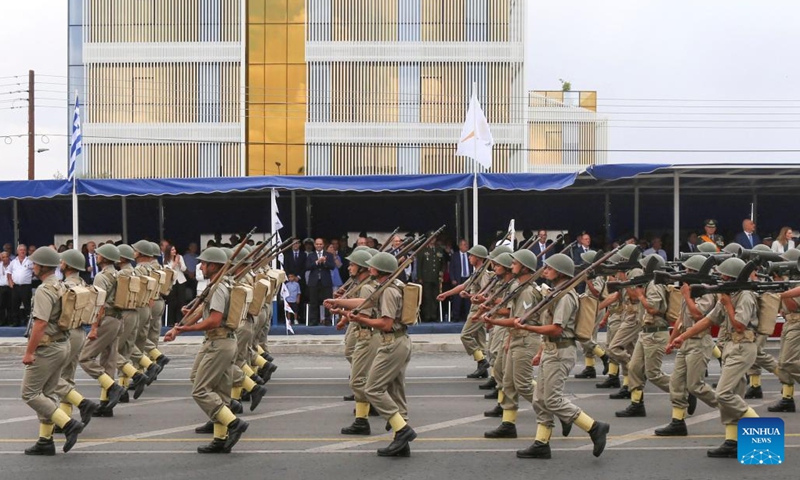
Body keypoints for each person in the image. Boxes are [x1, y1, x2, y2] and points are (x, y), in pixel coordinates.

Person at [514, 253, 610, 460]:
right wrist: (541, 350)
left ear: (559, 271)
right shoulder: (557, 293)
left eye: (549, 267)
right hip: (551, 350)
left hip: (560, 351)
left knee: (552, 399)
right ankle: (541, 443)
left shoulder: (566, 297)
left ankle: (594, 427)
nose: (545, 269)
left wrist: (528, 327)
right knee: (539, 399)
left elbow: (557, 329)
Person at [666, 258, 760, 458]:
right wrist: (681, 337)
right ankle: (732, 441)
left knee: (724, 394)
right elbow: (708, 320)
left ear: (733, 277)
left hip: (743, 346)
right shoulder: (729, 294)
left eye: (725, 276)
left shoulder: (745, 296)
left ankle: (759, 429)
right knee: (733, 394)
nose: (721, 278)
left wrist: (727, 304)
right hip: (731, 347)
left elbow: (740, 325)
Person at [164, 247, 249, 454]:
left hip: (218, 343)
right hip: (225, 342)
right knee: (220, 392)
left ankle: (233, 423)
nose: (200, 266)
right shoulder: (220, 284)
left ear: (213, 265)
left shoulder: (218, 287)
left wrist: (188, 328)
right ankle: (220, 438)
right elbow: (203, 311)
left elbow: (214, 319)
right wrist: (179, 329)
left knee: (200, 390)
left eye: (204, 263)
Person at [20, 247, 85, 456]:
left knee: (29, 393)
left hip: (47, 347)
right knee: (47, 394)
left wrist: (29, 352)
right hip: (62, 344)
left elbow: (40, 324)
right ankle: (45, 440)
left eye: (35, 263)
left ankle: (68, 424)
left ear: (43, 266)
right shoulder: (61, 285)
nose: (33, 266)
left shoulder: (43, 290)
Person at [359, 252, 417, 457]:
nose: (369, 268)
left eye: (372, 266)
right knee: (395, 390)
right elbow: (364, 302)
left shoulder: (389, 292)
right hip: (400, 341)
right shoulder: (390, 286)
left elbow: (386, 323)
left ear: (379, 270)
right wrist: (339, 305)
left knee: (372, 389)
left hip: (392, 342)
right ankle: (401, 443)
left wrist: (361, 320)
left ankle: (402, 430)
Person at [654, 255, 719, 436]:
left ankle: (731, 408)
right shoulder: (689, 290)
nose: (686, 274)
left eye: (690, 271)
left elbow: (699, 315)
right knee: (676, 383)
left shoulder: (707, 291)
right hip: (686, 342)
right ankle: (678, 421)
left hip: (700, 342)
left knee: (696, 386)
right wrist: (671, 341)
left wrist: (687, 296)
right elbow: (681, 320)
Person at [483, 249, 542, 441]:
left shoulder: (526, 292)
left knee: (523, 385)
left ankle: (555, 410)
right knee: (508, 383)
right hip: (516, 338)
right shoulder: (519, 287)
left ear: (524, 267)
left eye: (515, 263)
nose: (512, 265)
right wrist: (508, 338)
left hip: (525, 340)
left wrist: (493, 321)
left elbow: (518, 320)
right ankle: (508, 424)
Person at [615, 254, 671, 418]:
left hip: (655, 333)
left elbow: (653, 309)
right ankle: (636, 404)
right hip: (645, 332)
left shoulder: (654, 285)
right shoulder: (649, 283)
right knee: (634, 368)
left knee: (653, 373)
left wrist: (640, 296)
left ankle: (683, 391)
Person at [78, 244, 129, 416]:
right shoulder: (118, 273)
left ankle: (112, 387)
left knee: (85, 357)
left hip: (106, 319)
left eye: (99, 254)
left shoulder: (101, 277)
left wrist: (93, 327)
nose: (97, 256)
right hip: (118, 319)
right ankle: (105, 403)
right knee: (109, 361)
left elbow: (99, 303)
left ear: (104, 258)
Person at [438, 245, 491, 378]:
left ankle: (482, 361)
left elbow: (487, 294)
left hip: (479, 309)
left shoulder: (483, 274)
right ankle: (482, 369)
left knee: (465, 335)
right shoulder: (477, 273)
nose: (469, 257)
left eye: (471, 255)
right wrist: (447, 293)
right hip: (475, 308)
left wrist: (469, 297)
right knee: (480, 340)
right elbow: (464, 285)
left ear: (478, 258)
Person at [416, 235, 446, 322]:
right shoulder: (423, 250)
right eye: (431, 238)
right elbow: (419, 265)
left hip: (436, 277)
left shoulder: (439, 249)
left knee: (435, 296)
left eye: (434, 238)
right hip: (426, 277)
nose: (433, 240)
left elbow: (443, 264)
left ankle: (434, 315)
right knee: (427, 297)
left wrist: (441, 273)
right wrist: (419, 277)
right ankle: (427, 315)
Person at [305, 238, 336, 326]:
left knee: (327, 301)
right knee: (313, 301)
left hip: (325, 281)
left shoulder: (328, 255)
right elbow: (307, 267)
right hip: (314, 281)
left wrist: (325, 262)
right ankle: (313, 320)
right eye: (317, 244)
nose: (319, 246)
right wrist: (317, 262)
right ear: (314, 245)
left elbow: (332, 266)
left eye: (320, 244)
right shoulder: (311, 255)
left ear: (323, 245)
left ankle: (327, 320)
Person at [447, 239, 473, 323]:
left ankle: (467, 316)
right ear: (460, 246)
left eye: (467, 244)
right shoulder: (455, 256)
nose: (466, 246)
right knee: (457, 299)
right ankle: (456, 317)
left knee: (467, 299)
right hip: (458, 279)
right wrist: (453, 279)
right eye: (464, 244)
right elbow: (451, 269)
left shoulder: (470, 255)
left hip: (468, 279)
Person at [7, 244, 34, 326]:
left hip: (26, 286)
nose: (22, 251)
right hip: (16, 287)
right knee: (15, 304)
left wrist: (28, 277)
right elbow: (9, 273)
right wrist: (10, 282)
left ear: (26, 251)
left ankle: (27, 322)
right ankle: (16, 321)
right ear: (17, 251)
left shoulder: (30, 261)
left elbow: (35, 272)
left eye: (24, 250)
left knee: (27, 305)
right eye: (20, 250)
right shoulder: (13, 262)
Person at [0, 252, 11, 325]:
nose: (5, 258)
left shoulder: (12, 265)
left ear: (9, 257)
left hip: (10, 287)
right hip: (1, 287)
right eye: (3, 257)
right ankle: (2, 321)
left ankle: (10, 321)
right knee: (1, 305)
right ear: (1, 258)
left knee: (10, 305)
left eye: (6, 257)